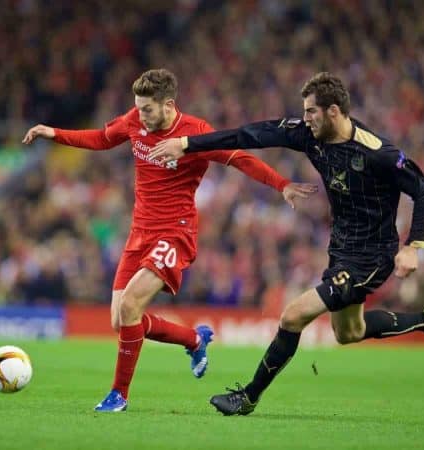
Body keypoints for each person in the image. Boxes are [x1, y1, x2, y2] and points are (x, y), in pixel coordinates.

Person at [148, 72, 424, 416]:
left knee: (292, 316)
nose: (306, 118)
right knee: (349, 332)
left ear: (333, 112)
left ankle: (248, 397)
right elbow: (253, 134)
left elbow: (423, 190)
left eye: (312, 111)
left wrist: (413, 246)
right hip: (341, 249)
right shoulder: (310, 136)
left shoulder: (378, 153)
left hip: (373, 256)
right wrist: (189, 144)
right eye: (305, 111)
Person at [22, 68, 317, 412]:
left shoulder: (195, 132)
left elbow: (239, 158)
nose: (141, 115)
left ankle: (119, 394)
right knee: (121, 320)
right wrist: (53, 132)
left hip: (175, 232)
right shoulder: (135, 120)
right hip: (139, 233)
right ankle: (193, 339)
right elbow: (102, 138)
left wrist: (281, 184)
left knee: (132, 307)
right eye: (138, 108)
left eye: (148, 109)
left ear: (169, 105)